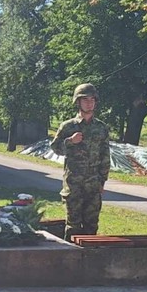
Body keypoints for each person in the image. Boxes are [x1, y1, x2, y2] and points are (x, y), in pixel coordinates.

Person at [50, 83, 110, 241]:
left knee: (91, 227)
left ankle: (90, 262)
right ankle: (71, 262)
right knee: (73, 227)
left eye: (92, 100)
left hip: (93, 185)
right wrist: (70, 141)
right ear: (78, 102)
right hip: (74, 185)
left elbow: (105, 155)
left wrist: (102, 180)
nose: (89, 103)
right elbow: (55, 148)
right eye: (85, 100)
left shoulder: (101, 128)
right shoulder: (68, 126)